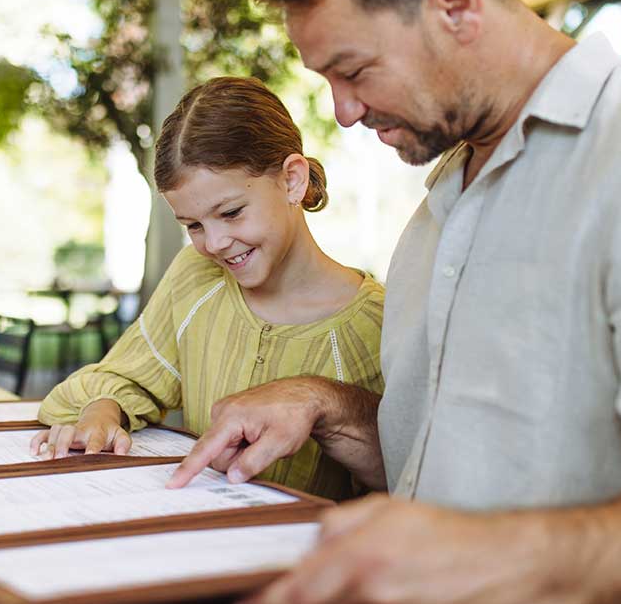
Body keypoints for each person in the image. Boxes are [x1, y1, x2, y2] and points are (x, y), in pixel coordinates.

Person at [167, 0, 621, 604]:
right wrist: (326, 406)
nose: (343, 111)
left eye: (353, 70)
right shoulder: (437, 212)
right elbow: (444, 474)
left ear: (455, 5)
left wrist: (483, 561)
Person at [32, 76, 384, 500]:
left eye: (231, 213)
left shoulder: (380, 324)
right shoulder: (197, 276)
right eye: (194, 225)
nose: (214, 244)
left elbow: (411, 473)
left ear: (292, 180)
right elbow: (126, 376)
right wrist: (103, 411)